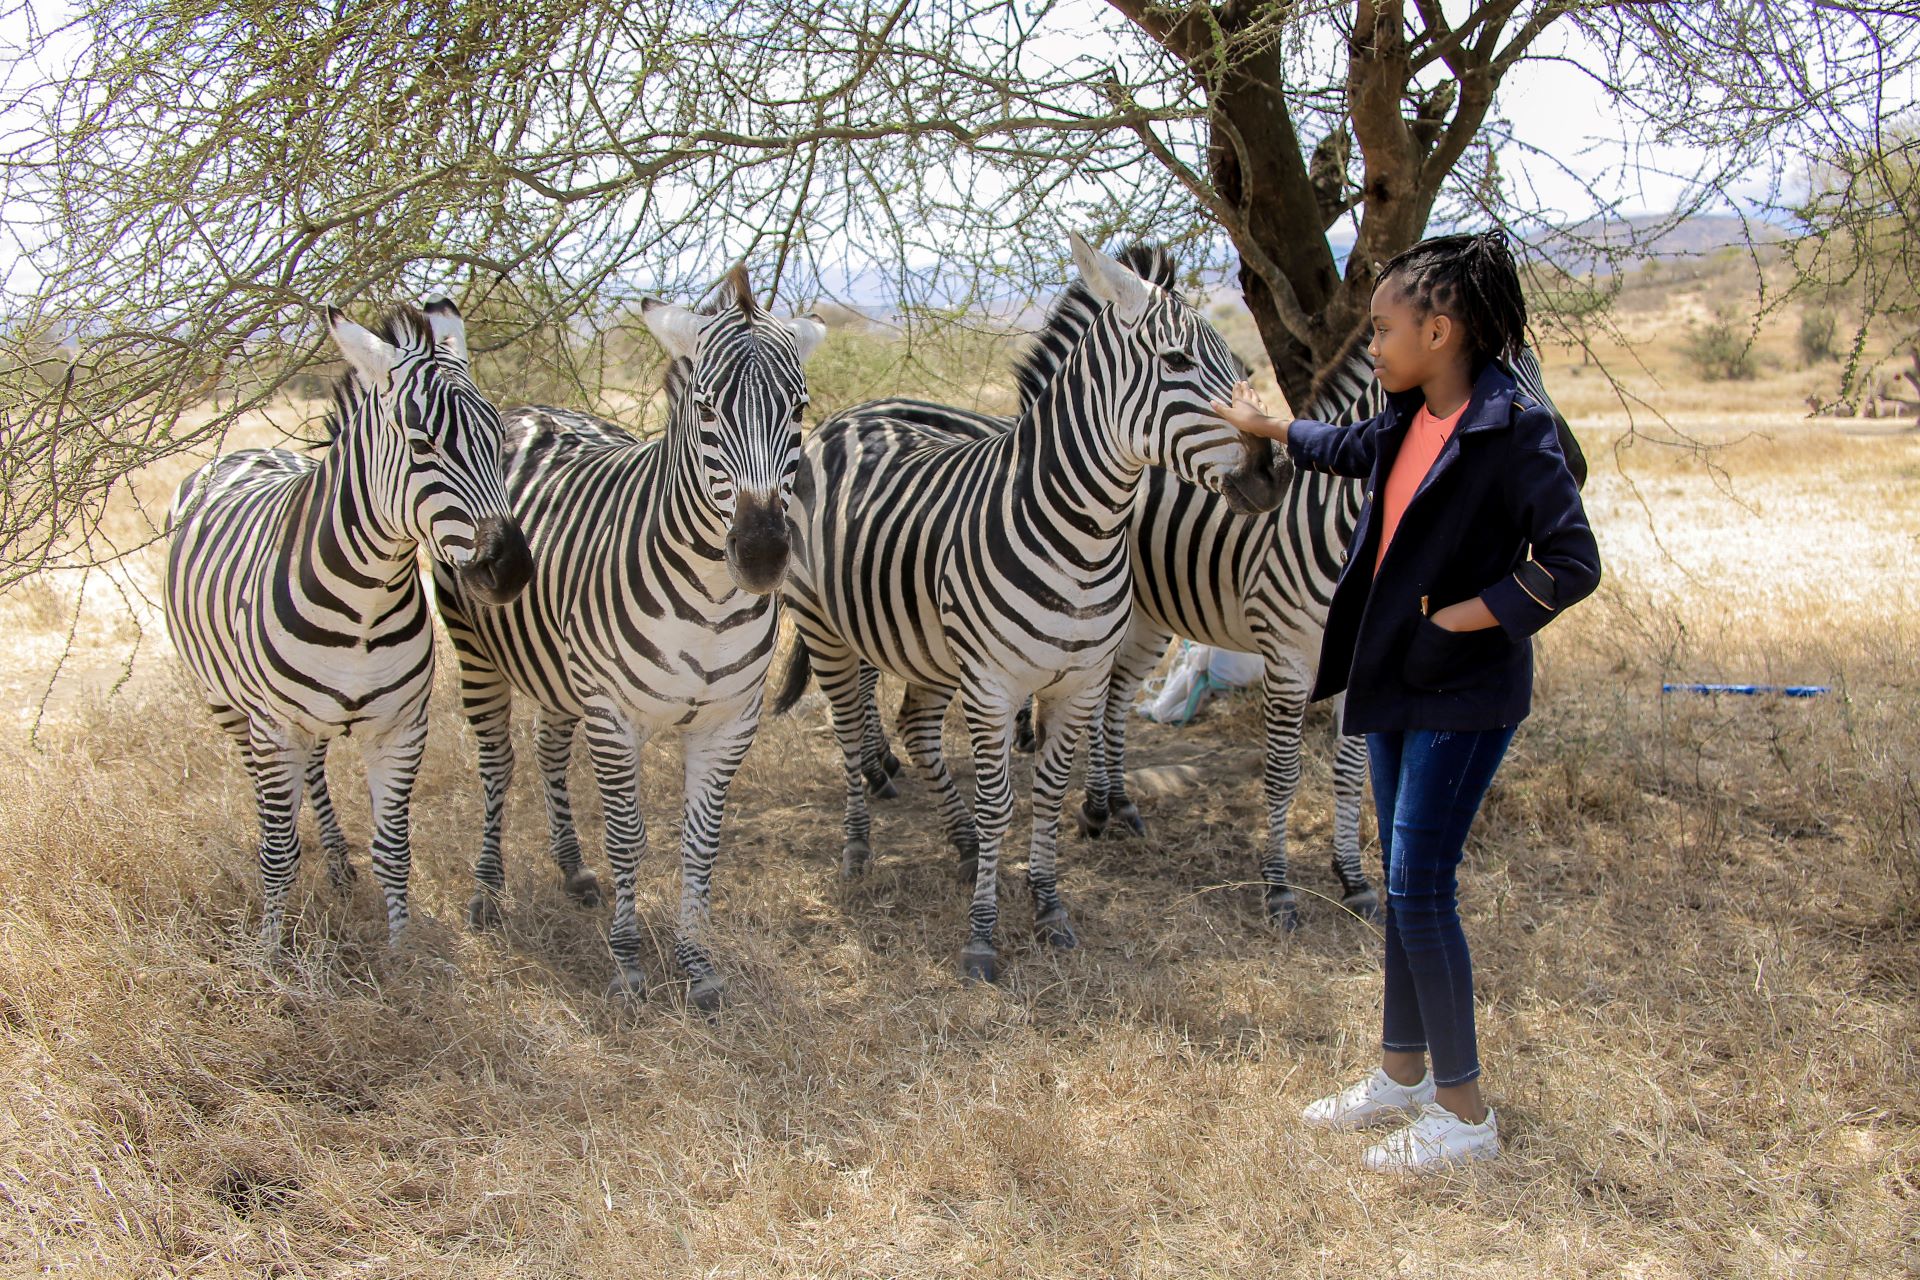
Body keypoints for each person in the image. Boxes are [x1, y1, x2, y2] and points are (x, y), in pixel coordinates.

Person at [1212, 231, 1601, 1172]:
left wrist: (1468, 615)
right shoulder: (1407, 411)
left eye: (1385, 330)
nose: (1373, 346)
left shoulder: (1514, 429)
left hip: (1463, 692)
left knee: (1419, 887)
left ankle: (1465, 1117)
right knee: (1402, 881)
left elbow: (1573, 562)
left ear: (1441, 328)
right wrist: (1269, 430)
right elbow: (1344, 447)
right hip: (1391, 674)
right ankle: (1401, 1074)